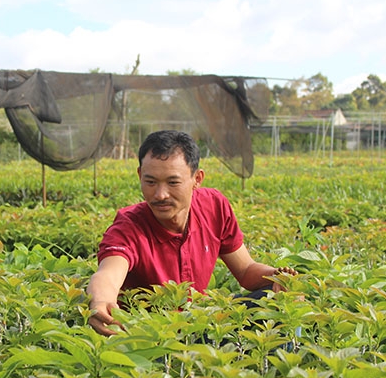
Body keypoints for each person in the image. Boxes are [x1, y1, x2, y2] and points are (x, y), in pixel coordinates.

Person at [86, 130, 296, 336]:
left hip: (199, 323)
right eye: (150, 182)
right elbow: (109, 274)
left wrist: (277, 276)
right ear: (140, 175)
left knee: (284, 300)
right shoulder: (129, 226)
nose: (160, 195)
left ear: (197, 178)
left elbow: (245, 270)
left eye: (173, 182)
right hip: (153, 337)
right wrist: (101, 300)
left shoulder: (213, 206)